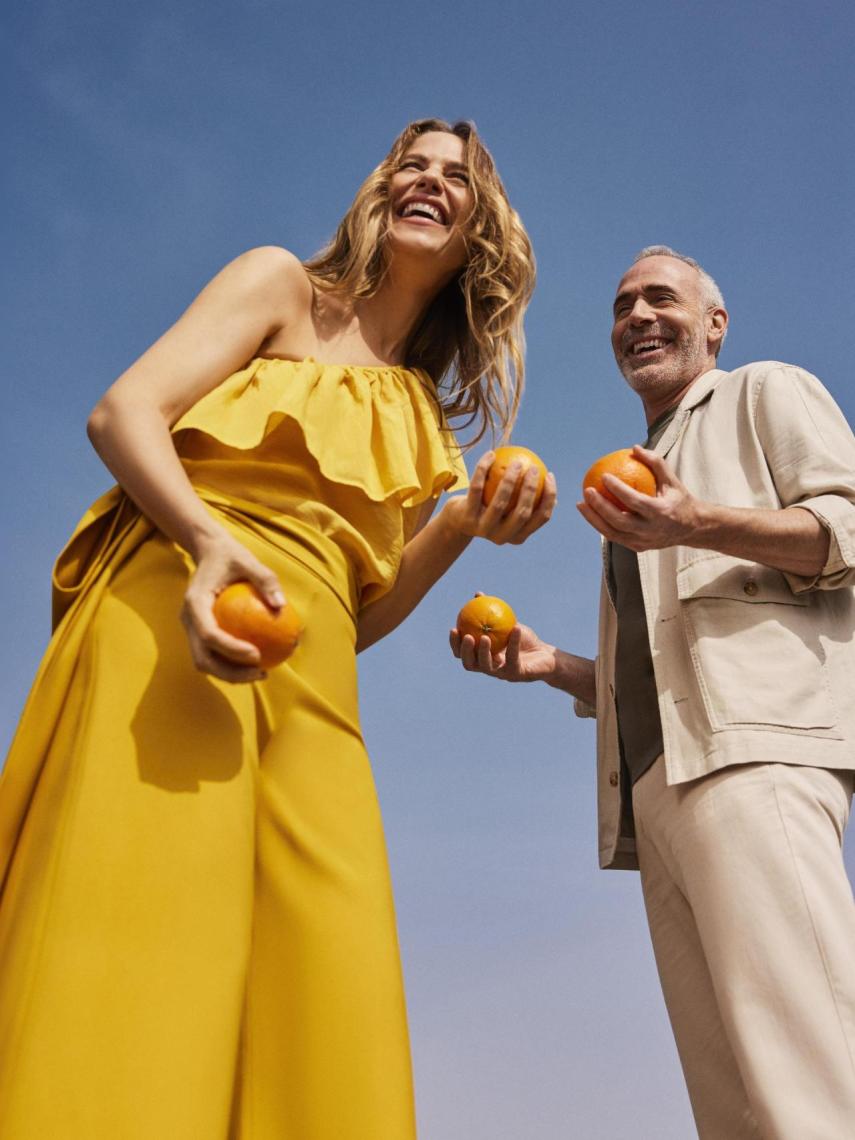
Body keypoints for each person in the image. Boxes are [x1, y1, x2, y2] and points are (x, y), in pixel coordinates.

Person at [0, 119, 555, 1139]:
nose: (426, 182)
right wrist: (209, 546)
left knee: (322, 960)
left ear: (484, 229)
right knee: (144, 928)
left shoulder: (418, 406)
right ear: (380, 188)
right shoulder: (281, 286)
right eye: (411, 165)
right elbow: (125, 413)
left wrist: (466, 522)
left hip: (314, 673)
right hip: (176, 605)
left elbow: (364, 607)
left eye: (456, 177)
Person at [452, 246, 855, 1139]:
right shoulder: (631, 481)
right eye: (621, 304)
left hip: (755, 759)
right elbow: (666, 678)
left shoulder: (763, 392)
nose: (636, 315)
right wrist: (550, 664)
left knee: (806, 1068)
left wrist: (700, 520)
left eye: (660, 298)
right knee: (733, 1104)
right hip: (658, 791)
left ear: (713, 324)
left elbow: (848, 528)